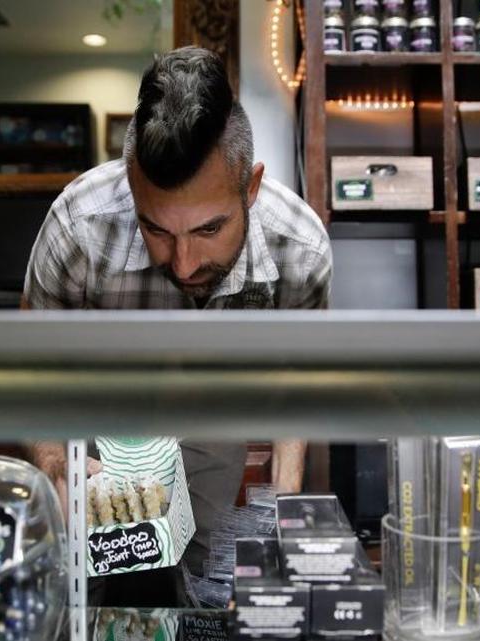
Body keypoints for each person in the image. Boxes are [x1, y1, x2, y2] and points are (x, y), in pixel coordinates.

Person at [24, 46, 332, 607]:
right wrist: (54, 463)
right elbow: (30, 365)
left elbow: (298, 380)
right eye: (157, 230)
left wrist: (284, 508)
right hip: (98, 441)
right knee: (98, 601)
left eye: (209, 229)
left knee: (202, 595)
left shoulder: (299, 249)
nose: (184, 264)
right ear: (130, 183)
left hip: (215, 429)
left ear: (252, 188)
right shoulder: (78, 227)